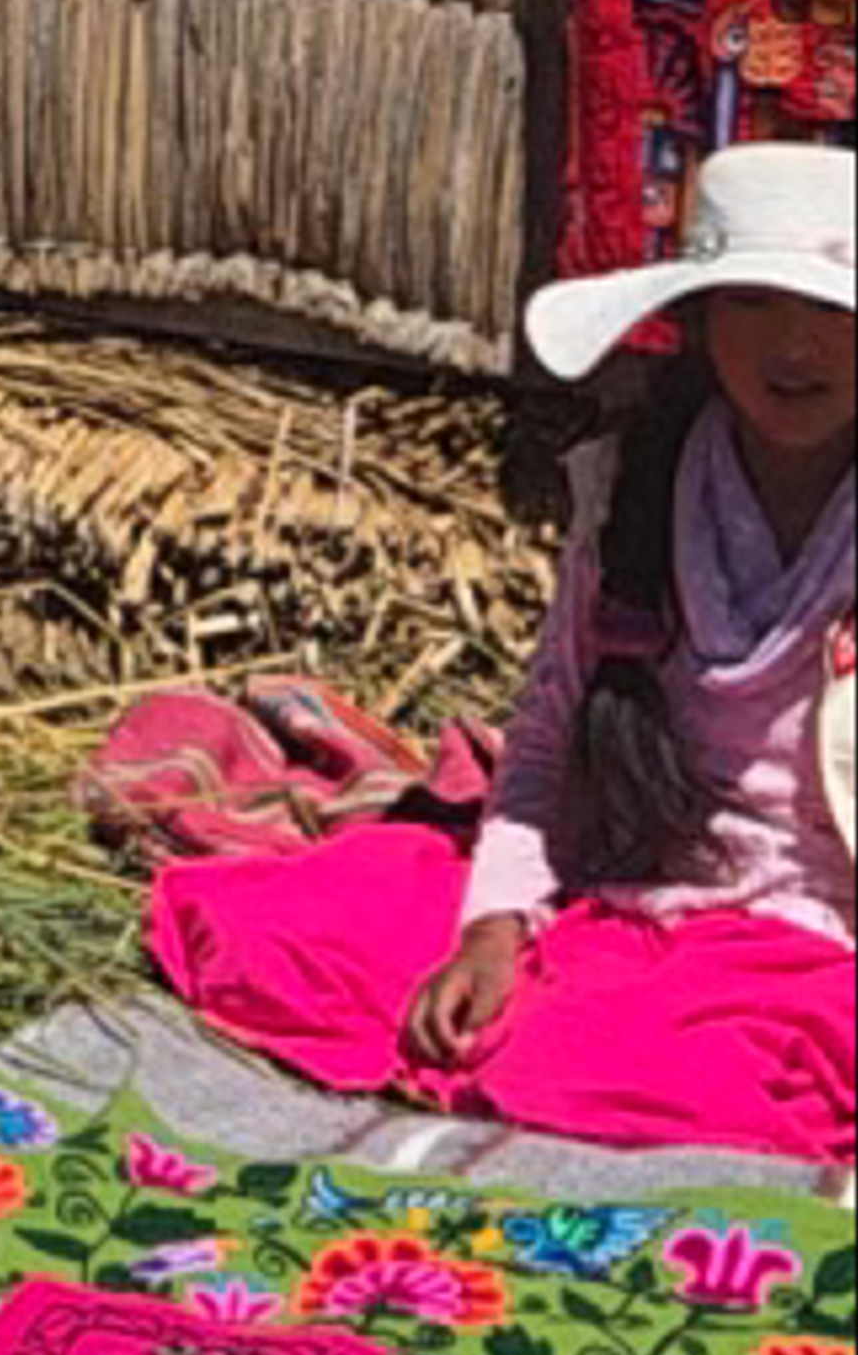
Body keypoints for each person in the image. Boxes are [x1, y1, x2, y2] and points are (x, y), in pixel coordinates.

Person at [148, 137, 856, 1166]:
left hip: (811, 933)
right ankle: (563, 1021)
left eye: (834, 310)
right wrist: (497, 926)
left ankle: (585, 1042)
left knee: (642, 1061)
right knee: (281, 924)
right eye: (754, 303)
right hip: (625, 874)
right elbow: (542, 745)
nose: (795, 345)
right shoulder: (636, 491)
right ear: (699, 322)